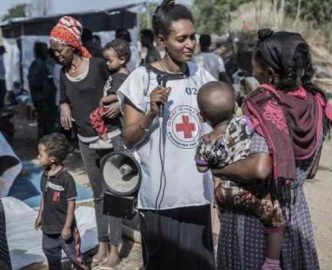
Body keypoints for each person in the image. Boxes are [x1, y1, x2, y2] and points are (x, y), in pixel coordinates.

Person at [213, 28, 332, 270]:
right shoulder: (317, 102)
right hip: (295, 211)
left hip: (254, 218)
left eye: (255, 68)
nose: (253, 73)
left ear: (270, 73)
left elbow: (260, 168)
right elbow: (310, 171)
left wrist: (220, 168)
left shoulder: (262, 105)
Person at [117, 1, 216, 269]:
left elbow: (219, 126)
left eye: (192, 37)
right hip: (159, 201)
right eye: (181, 38)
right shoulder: (140, 79)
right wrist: (150, 113)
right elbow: (128, 138)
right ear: (161, 40)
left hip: (197, 194)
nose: (190, 44)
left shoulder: (202, 77)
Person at [50, 16, 122, 269]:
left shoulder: (99, 66)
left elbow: (124, 85)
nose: (56, 54)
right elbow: (63, 96)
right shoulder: (63, 73)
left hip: (110, 137)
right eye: (53, 50)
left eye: (60, 49)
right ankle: (103, 245)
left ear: (72, 44)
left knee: (115, 193)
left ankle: (115, 249)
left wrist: (118, 101)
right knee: (99, 195)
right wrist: (63, 104)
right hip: (85, 140)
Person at [195, 81, 286, 268]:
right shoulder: (244, 123)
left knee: (225, 216)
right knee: (275, 219)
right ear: (235, 106)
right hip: (251, 191)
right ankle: (272, 262)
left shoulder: (204, 142)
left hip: (225, 193)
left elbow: (202, 167)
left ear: (202, 117)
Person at [34, 133, 88, 270]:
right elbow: (44, 197)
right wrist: (40, 215)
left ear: (52, 159)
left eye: (40, 155)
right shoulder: (45, 174)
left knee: (74, 257)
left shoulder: (66, 179)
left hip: (64, 228)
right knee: (51, 255)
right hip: (48, 227)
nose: (38, 157)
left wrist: (67, 227)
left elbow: (71, 204)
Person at [89, 39, 130, 149]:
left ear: (122, 59)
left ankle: (104, 139)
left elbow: (119, 94)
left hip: (114, 118)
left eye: (109, 61)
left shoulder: (120, 77)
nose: (107, 64)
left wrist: (104, 100)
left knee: (94, 117)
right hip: (116, 118)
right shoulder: (120, 74)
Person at [28, 41, 56, 138]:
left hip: (44, 97)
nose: (46, 52)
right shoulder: (37, 64)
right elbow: (34, 81)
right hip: (41, 98)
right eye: (44, 50)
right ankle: (43, 141)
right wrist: (46, 82)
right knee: (43, 121)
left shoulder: (43, 63)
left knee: (46, 121)